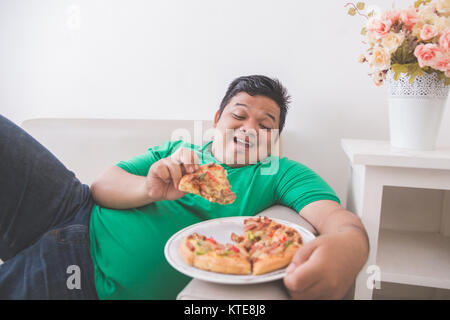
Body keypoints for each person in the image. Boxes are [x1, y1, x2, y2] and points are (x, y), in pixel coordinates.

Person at [0, 75, 369, 299]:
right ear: (217, 120)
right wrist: (149, 188)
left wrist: (347, 252)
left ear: (274, 139)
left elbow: (339, 221)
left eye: (265, 124)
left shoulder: (281, 172)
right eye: (238, 115)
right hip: (68, 205)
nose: (249, 128)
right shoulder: (180, 151)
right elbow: (101, 186)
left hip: (80, 276)